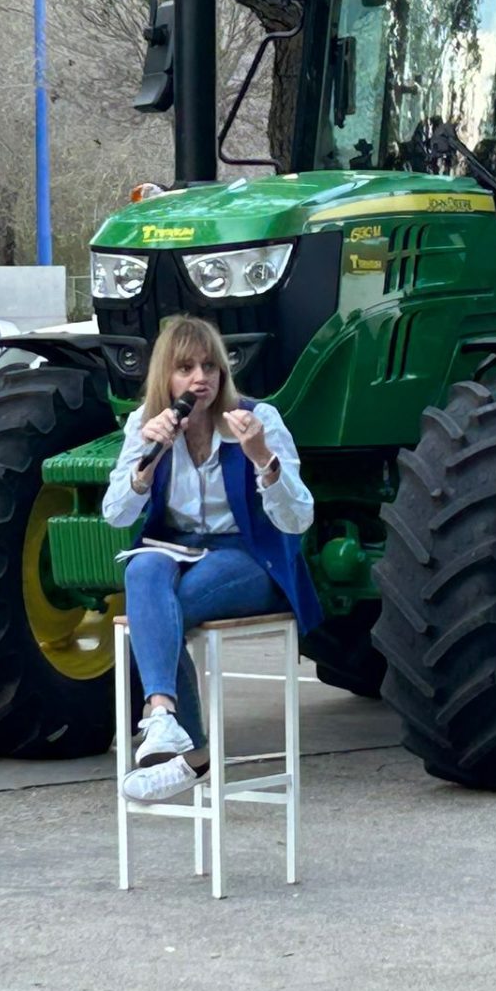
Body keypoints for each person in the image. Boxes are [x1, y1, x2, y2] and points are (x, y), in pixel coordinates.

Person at [103, 315, 320, 803]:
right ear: (166, 377)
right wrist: (147, 460)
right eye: (185, 369)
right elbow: (116, 515)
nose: (200, 379)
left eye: (210, 367)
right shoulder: (145, 424)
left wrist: (263, 459)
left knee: (163, 609)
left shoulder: (257, 419)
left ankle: (191, 751)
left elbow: (299, 519)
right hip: (174, 548)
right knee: (142, 568)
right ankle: (164, 721)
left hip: (250, 556)